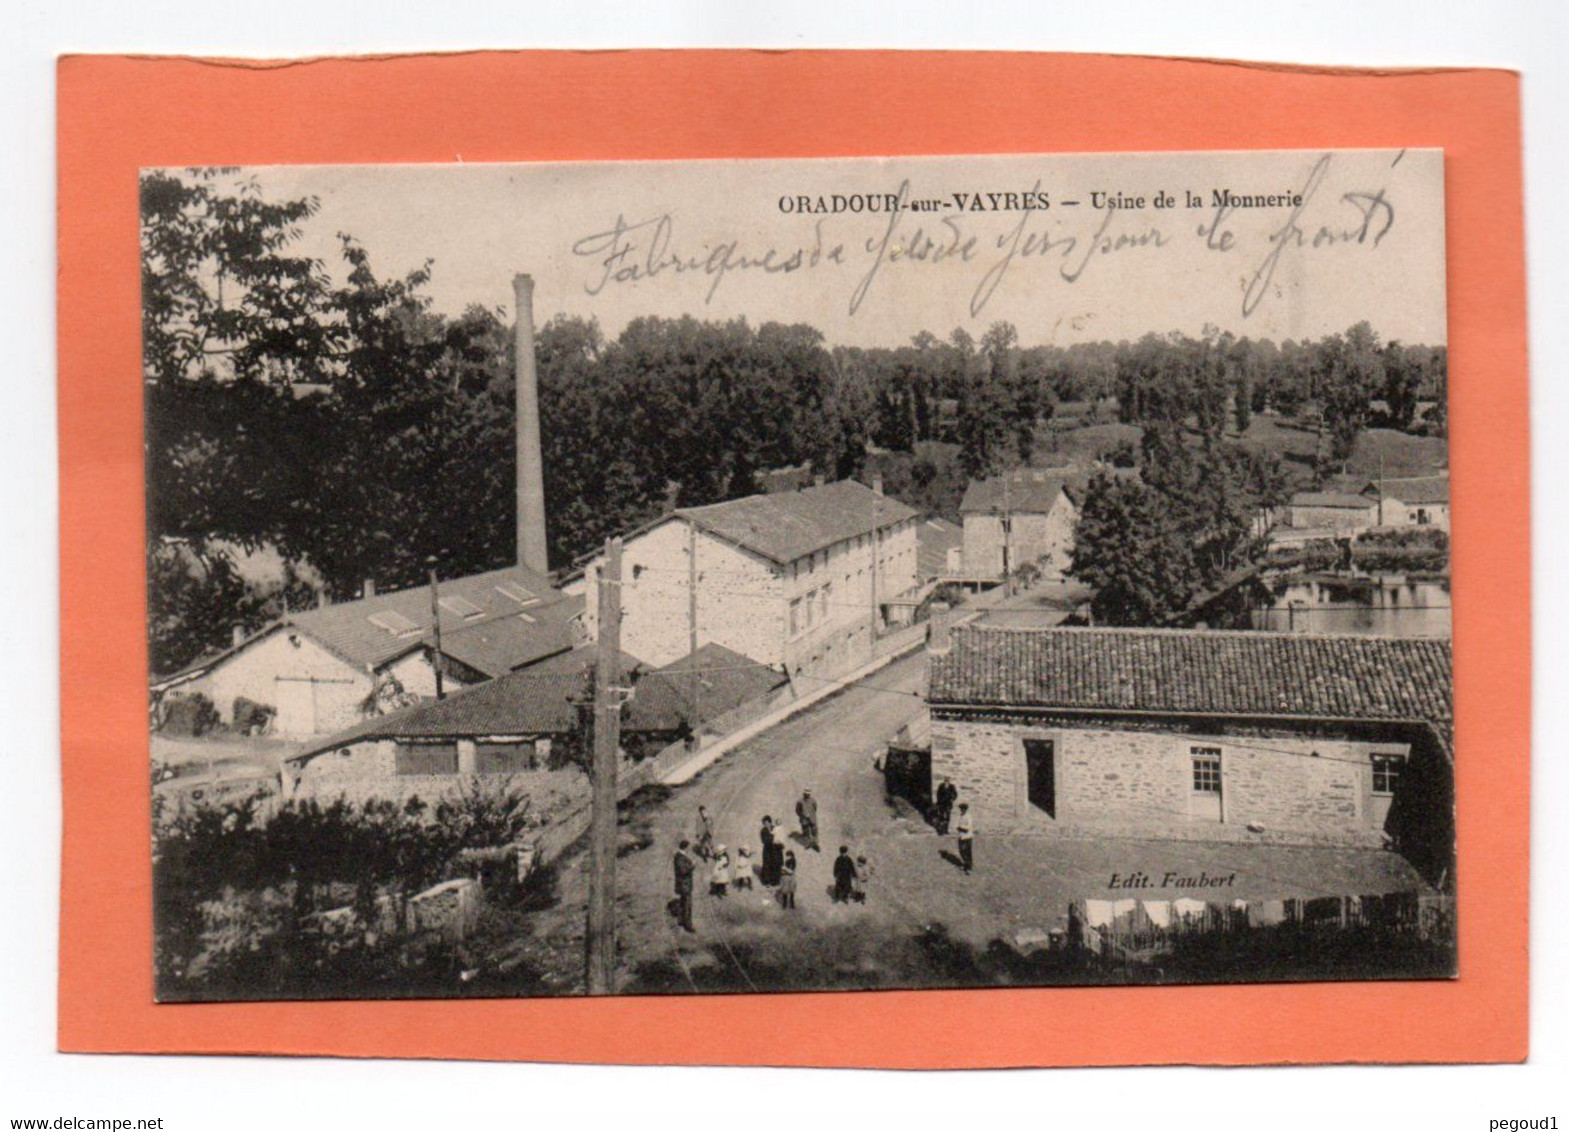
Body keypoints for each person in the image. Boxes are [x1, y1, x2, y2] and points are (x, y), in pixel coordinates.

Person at [672, 840, 696, 931]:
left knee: (683, 902)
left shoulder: (680, 856)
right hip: (684, 885)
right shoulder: (680, 857)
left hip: (683, 884)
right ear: (686, 847)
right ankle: (688, 925)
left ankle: (682, 920)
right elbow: (683, 871)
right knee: (687, 904)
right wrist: (692, 865)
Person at [760, 816, 783, 886]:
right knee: (768, 865)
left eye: (767, 823)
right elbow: (764, 840)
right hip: (768, 850)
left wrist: (780, 843)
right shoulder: (763, 831)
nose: (766, 824)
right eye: (764, 823)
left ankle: (775, 881)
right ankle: (767, 880)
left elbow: (780, 835)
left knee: (776, 864)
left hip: (776, 849)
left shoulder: (775, 828)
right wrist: (773, 838)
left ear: (770, 822)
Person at [955, 802, 975, 874]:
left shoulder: (968, 816)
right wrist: (958, 827)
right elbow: (957, 824)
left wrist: (961, 827)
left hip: (967, 837)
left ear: (965, 809)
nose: (961, 810)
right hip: (961, 836)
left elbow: (969, 827)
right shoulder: (961, 816)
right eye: (961, 809)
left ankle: (968, 867)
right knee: (961, 851)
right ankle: (966, 864)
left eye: (963, 809)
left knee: (967, 852)